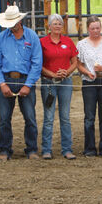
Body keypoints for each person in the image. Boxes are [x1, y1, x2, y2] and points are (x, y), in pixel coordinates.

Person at [0, 5, 43, 162]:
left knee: (30, 117)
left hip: (25, 79)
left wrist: (28, 84)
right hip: (7, 79)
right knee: (4, 118)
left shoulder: (32, 37)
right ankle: (5, 149)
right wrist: (2, 83)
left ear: (19, 21)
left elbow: (37, 63)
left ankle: (32, 149)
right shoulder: (1, 38)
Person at [76, 15, 102, 157]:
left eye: (98, 28)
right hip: (89, 82)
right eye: (93, 28)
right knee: (89, 116)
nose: (96, 30)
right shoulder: (81, 45)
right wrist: (87, 72)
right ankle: (89, 148)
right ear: (88, 29)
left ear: (101, 28)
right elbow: (79, 65)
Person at [39, 13, 78, 160]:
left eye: (59, 24)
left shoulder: (68, 42)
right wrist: (52, 74)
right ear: (49, 26)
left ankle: (67, 149)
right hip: (48, 83)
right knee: (48, 117)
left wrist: (66, 72)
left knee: (65, 116)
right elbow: (39, 64)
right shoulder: (42, 42)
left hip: (65, 82)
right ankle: (46, 149)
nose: (57, 26)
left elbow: (74, 61)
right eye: (54, 23)